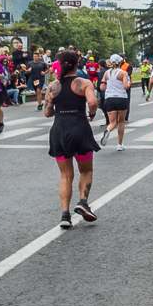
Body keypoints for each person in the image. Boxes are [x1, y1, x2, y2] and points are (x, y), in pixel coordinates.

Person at [44, 50, 100, 228]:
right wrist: (91, 114)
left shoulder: (53, 86)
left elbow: (47, 112)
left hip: (59, 130)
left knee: (65, 175)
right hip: (79, 129)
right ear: (77, 63)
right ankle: (83, 202)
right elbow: (92, 102)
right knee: (86, 171)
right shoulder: (83, 83)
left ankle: (65, 215)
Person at [99, 54, 131, 151]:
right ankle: (119, 144)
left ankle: (108, 130)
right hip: (121, 98)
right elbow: (125, 86)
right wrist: (129, 83)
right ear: (120, 62)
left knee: (112, 122)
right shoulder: (123, 73)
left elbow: (102, 86)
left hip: (109, 99)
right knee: (121, 122)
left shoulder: (107, 73)